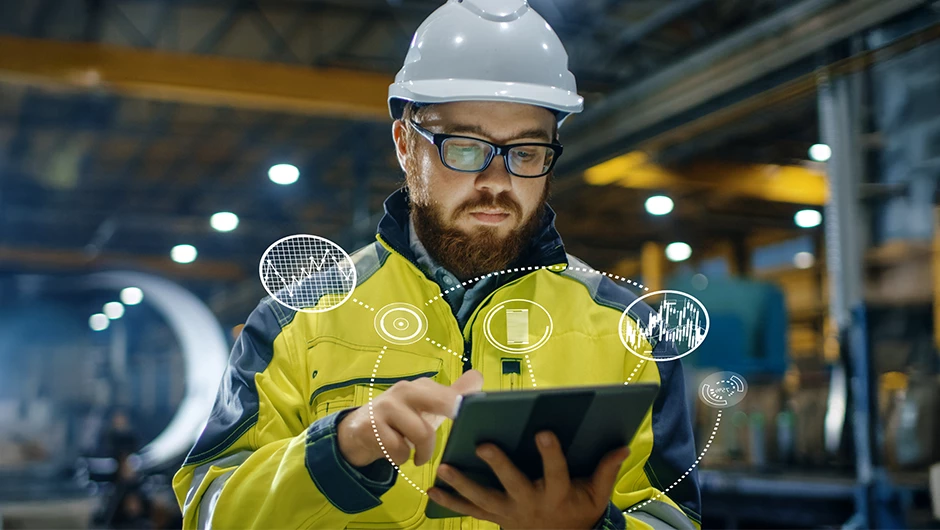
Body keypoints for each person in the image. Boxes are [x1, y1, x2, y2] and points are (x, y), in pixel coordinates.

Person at [172, 1, 701, 529]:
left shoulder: (631, 330)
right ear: (406, 145)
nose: (497, 180)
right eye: (466, 148)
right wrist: (340, 450)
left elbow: (674, 517)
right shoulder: (296, 322)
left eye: (526, 151)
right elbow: (210, 510)